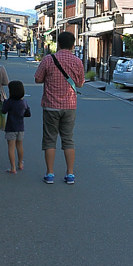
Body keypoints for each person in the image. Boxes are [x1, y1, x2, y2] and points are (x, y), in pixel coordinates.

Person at [34, 31, 84, 184]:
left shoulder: (49, 59)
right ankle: (70, 174)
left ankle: (50, 174)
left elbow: (37, 79)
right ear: (73, 45)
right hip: (69, 106)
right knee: (68, 140)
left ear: (59, 44)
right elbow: (81, 83)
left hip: (50, 105)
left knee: (50, 140)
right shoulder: (77, 61)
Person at [1, 80, 31, 173]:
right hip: (20, 127)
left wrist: (4, 101)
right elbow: (28, 114)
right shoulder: (24, 102)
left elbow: (3, 111)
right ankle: (20, 163)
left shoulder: (9, 102)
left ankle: (13, 167)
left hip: (10, 127)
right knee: (19, 146)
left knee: (11, 147)